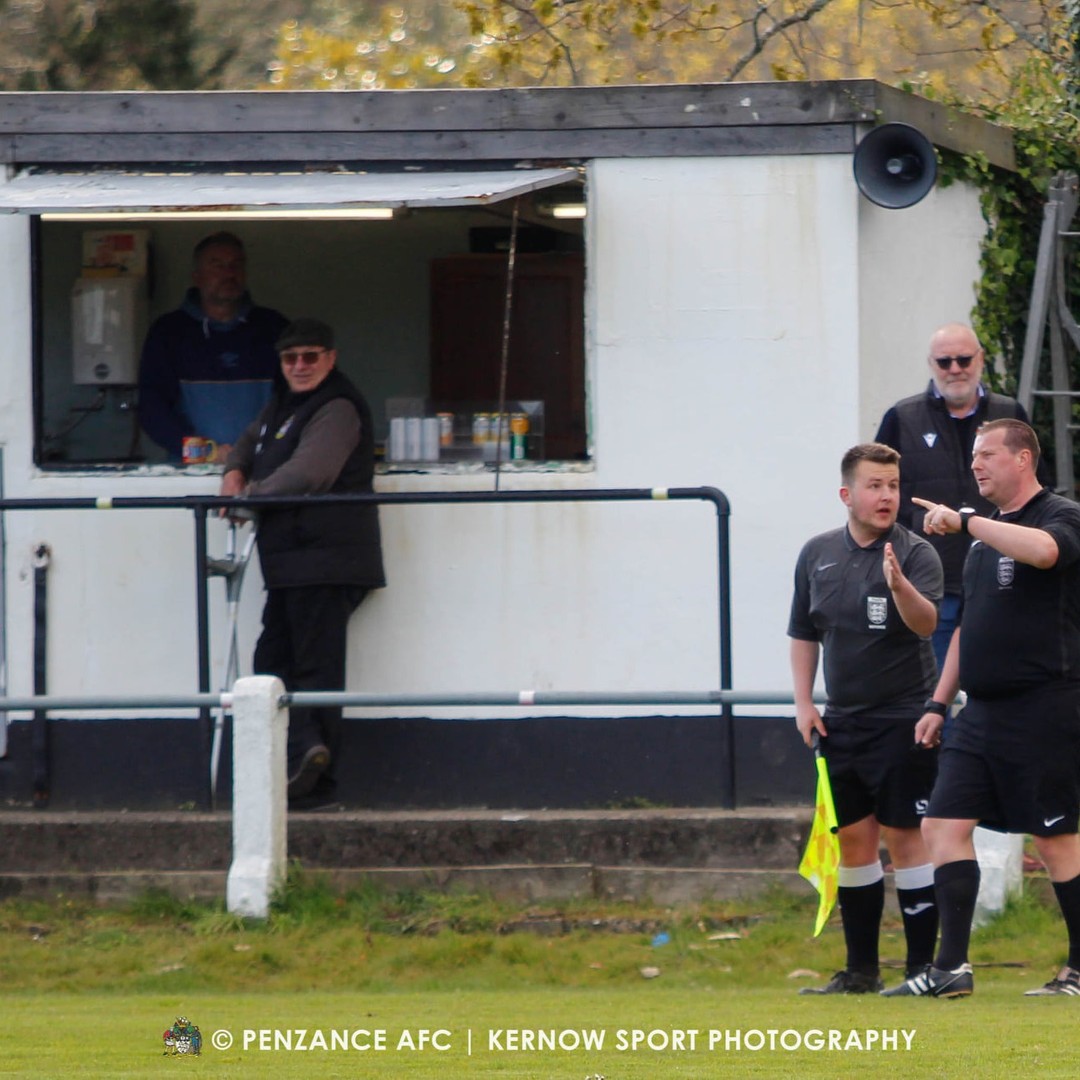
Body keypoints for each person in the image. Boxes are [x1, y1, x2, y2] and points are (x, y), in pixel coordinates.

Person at [884, 419, 1080, 998]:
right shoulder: (981, 541)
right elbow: (968, 630)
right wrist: (938, 703)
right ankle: (950, 969)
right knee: (942, 824)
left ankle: (1079, 968)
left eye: (987, 453)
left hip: (1046, 706)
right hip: (981, 713)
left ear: (1023, 459)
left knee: (1054, 840)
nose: (975, 464)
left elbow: (1045, 553)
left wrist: (967, 520)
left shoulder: (1060, 515)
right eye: (973, 456)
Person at [789, 443, 943, 994]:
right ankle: (861, 972)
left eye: (893, 486)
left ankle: (922, 970)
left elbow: (927, 625)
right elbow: (804, 632)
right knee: (854, 841)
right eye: (875, 486)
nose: (887, 496)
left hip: (904, 718)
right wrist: (804, 703)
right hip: (841, 723)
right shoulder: (817, 553)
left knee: (906, 840)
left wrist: (900, 586)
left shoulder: (916, 553)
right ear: (846, 494)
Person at [220, 317, 385, 804]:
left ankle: (317, 782)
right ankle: (302, 756)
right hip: (293, 563)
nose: (299, 366)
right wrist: (233, 470)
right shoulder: (282, 404)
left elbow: (311, 472)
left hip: (328, 559)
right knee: (273, 663)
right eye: (290, 358)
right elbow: (250, 440)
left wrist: (251, 496)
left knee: (314, 668)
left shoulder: (338, 406)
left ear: (330, 359)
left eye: (310, 356)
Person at [875, 322, 1038, 670]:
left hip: (1001, 577)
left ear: (980, 359)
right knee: (936, 684)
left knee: (1001, 676)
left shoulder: (1010, 415)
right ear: (931, 364)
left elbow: (1035, 489)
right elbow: (878, 492)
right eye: (944, 362)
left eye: (964, 359)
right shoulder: (902, 418)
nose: (955, 370)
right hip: (932, 580)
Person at [138, 231, 288, 462]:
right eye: (217, 265)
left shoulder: (273, 328)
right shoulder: (169, 332)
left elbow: (299, 404)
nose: (229, 273)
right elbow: (152, 412)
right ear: (197, 277)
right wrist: (206, 453)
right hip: (190, 474)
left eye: (236, 265)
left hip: (263, 470)